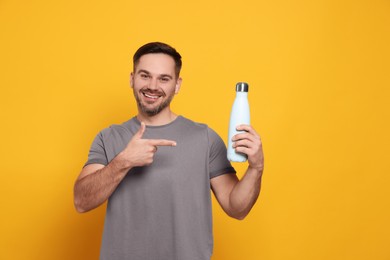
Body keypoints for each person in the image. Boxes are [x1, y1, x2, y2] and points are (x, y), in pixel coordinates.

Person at [74, 42, 264, 260]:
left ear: (177, 85)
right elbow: (81, 202)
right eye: (145, 75)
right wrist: (123, 161)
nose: (153, 86)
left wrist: (256, 167)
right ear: (132, 79)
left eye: (164, 78)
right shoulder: (109, 137)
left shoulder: (205, 138)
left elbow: (236, 208)